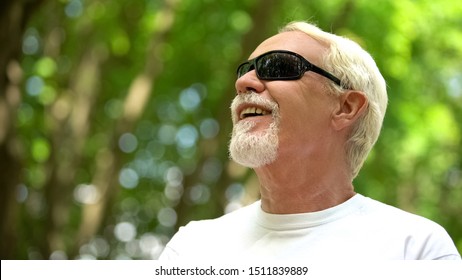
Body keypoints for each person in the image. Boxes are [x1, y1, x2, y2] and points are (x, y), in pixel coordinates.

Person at [159, 21, 461, 260]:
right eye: (244, 70)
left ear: (346, 108)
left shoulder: (417, 250)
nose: (243, 82)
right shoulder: (191, 248)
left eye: (278, 66)